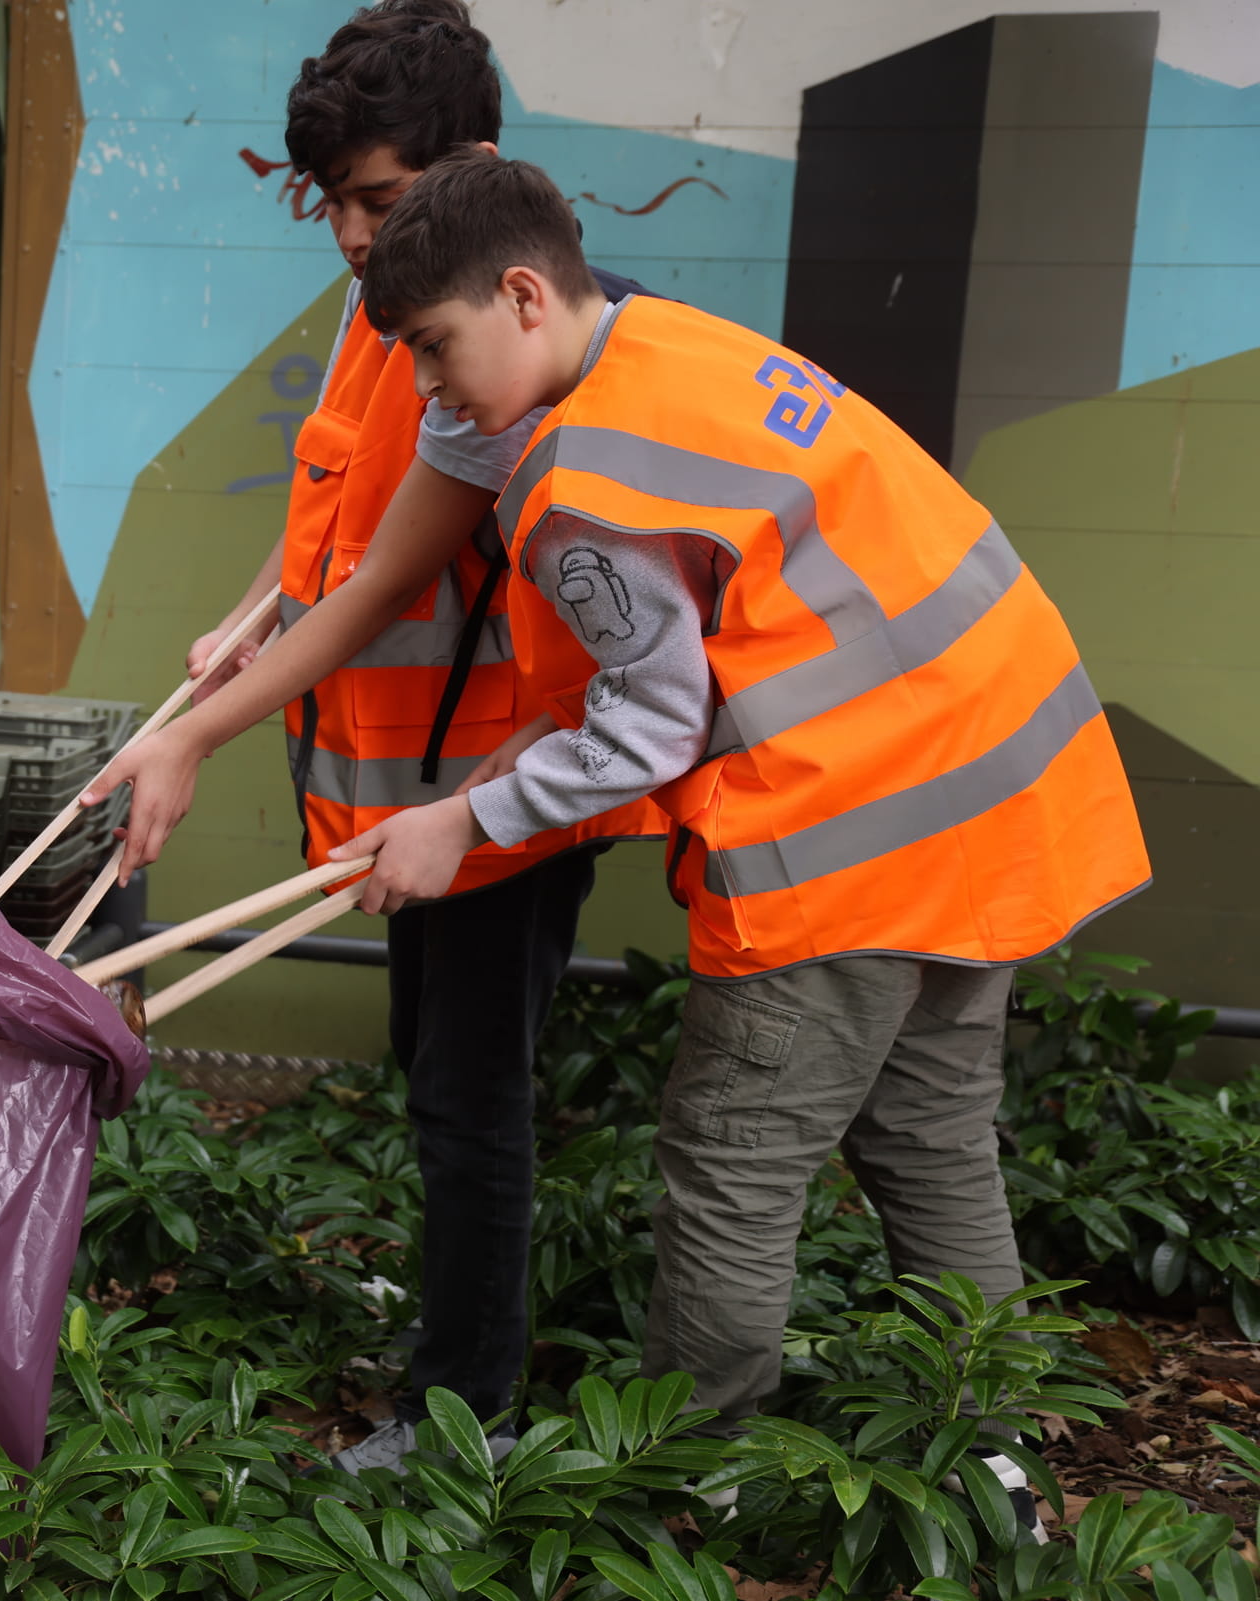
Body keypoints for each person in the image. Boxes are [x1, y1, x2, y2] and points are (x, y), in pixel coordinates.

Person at [343, 150, 1149, 1491]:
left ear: (526, 294)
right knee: (933, 1133)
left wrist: (460, 825)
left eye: (434, 349)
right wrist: (467, 808)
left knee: (730, 1156)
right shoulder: (676, 351)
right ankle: (1000, 1465)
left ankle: (681, 1492)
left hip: (854, 824)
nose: (429, 392)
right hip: (994, 776)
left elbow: (651, 725)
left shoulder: (579, 484)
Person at [86, 0, 664, 1474]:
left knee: (473, 1101)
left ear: (471, 168)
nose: (349, 234)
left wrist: (196, 733)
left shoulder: (509, 339)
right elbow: (353, 529)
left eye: (380, 198)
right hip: (387, 785)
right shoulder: (389, 312)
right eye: (331, 200)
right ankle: (459, 1340)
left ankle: (464, 1411)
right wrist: (252, 603)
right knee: (437, 1075)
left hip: (488, 788)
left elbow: (400, 573)